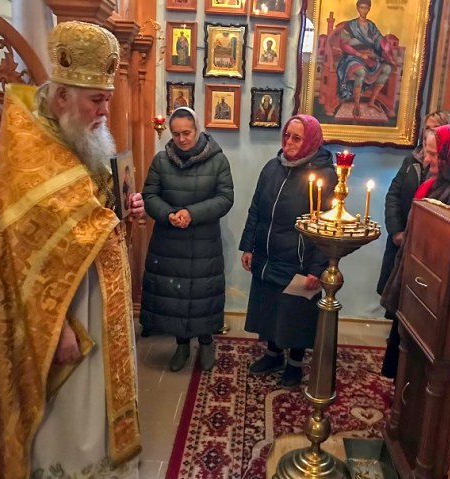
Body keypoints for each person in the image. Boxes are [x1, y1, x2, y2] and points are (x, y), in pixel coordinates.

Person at [0, 21, 144, 479]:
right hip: (66, 315)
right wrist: (56, 330)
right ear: (61, 98)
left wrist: (125, 209)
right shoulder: (32, 153)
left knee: (99, 404)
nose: (105, 110)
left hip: (99, 301)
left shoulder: (76, 137)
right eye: (96, 100)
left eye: (106, 99)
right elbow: (21, 259)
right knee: (72, 414)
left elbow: (93, 215)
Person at [380, 124, 450, 377]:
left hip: (437, 288)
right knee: (405, 355)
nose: (426, 159)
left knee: (421, 367)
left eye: (433, 153)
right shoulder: (445, 179)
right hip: (422, 279)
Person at [239, 114, 337, 388]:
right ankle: (273, 355)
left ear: (311, 141)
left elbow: (328, 226)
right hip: (267, 253)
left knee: (296, 314)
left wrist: (317, 268)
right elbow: (256, 209)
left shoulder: (325, 175)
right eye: (286, 135)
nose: (289, 142)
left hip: (300, 259)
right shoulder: (272, 167)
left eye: (297, 138)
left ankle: (294, 364)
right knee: (269, 307)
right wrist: (248, 246)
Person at [140, 107, 234, 372]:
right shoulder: (161, 161)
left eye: (187, 133)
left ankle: (206, 343)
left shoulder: (218, 160)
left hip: (203, 242)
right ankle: (181, 346)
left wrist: (191, 213)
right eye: (176, 134)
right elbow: (149, 195)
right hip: (169, 242)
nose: (182, 139)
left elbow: (225, 198)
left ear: (198, 130)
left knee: (203, 294)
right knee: (175, 296)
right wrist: (168, 214)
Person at [378, 111, 450, 378]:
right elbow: (394, 195)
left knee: (413, 318)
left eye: (435, 130)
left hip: (425, 255)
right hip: (402, 242)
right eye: (426, 128)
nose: (428, 134)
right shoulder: (412, 160)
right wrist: (397, 231)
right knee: (398, 309)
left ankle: (402, 377)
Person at [336, 0, 396, 117]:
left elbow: (381, 41)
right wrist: (359, 54)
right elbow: (344, 45)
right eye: (361, 8)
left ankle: (372, 101)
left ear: (369, 9)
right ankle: (357, 105)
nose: (364, 10)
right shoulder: (350, 25)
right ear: (358, 8)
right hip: (352, 57)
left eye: (366, 8)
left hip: (369, 57)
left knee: (387, 69)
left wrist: (389, 56)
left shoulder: (371, 26)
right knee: (361, 72)